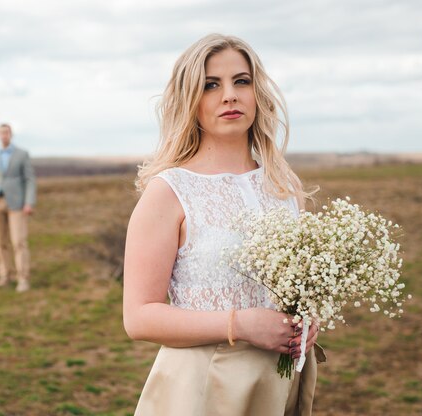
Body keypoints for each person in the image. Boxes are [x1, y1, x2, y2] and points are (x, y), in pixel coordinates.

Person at [122, 34, 326, 416]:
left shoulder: (284, 187)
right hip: (202, 387)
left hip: (277, 384)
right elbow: (138, 317)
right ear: (190, 101)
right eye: (211, 85)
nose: (229, 95)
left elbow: (299, 285)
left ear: (257, 93)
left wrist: (307, 320)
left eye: (241, 81)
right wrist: (240, 324)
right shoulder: (169, 192)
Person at [0, 123, 36, 293]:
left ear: (11, 134)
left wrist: (29, 202)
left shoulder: (22, 154)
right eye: (1, 133)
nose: (4, 135)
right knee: (0, 242)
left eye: (7, 132)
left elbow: (29, 179)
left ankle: (23, 278)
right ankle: (5, 275)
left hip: (17, 204)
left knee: (19, 241)